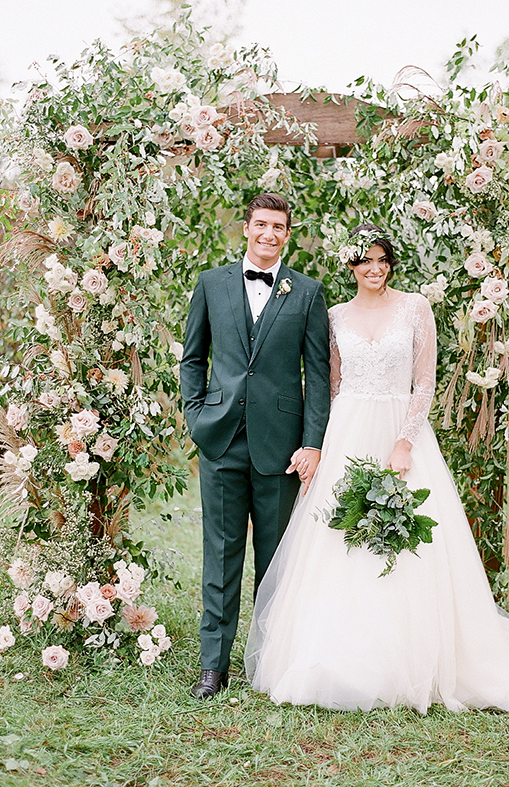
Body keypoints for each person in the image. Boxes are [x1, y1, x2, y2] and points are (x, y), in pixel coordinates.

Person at [245, 224, 509, 713]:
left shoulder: (414, 308)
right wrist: (319, 447)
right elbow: (331, 384)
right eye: (365, 260)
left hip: (399, 430)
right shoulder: (335, 315)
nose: (374, 268)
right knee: (339, 539)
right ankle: (339, 656)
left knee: (409, 543)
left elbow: (424, 382)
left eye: (382, 260)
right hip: (346, 430)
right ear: (351, 266)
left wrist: (404, 442)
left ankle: (414, 656)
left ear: (391, 264)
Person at [181, 193, 331, 699]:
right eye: (261, 225)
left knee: (276, 562)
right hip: (220, 440)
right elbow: (192, 359)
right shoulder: (211, 284)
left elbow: (319, 375)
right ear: (245, 228)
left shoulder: (308, 293)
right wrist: (196, 415)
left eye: (279, 227)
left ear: (288, 235)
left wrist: (311, 444)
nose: (269, 234)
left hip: (281, 448)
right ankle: (212, 667)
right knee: (219, 556)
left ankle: (269, 662)